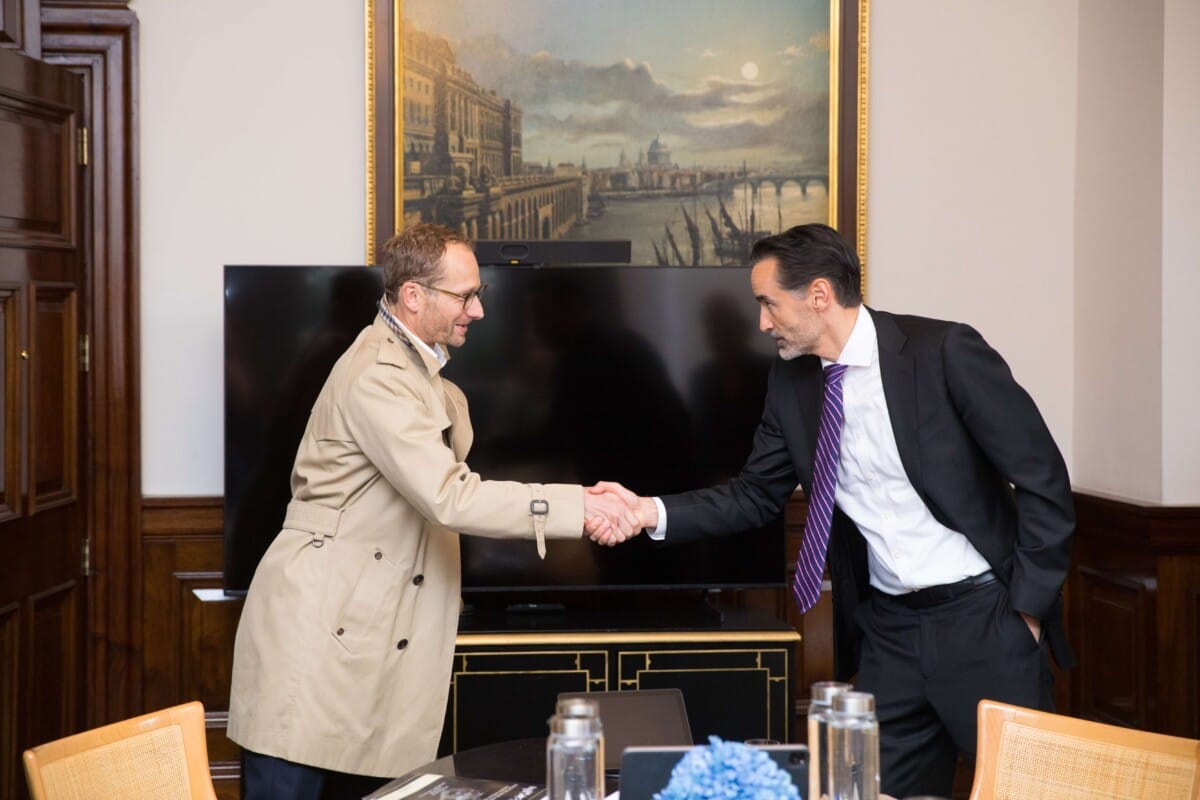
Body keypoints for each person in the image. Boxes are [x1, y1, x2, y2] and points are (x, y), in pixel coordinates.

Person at [595, 223, 1075, 798]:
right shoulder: (792, 382)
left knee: (1025, 792)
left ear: (819, 295)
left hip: (986, 621)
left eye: (769, 303)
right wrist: (647, 511)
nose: (762, 322)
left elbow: (1042, 474)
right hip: (890, 633)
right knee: (868, 793)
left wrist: (1027, 611)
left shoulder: (943, 352)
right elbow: (754, 494)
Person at [227, 222, 638, 800]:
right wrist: (582, 504)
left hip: (354, 633)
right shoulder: (378, 375)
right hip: (317, 639)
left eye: (478, 294)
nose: (479, 310)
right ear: (413, 296)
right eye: (465, 296)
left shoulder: (421, 371)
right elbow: (449, 495)